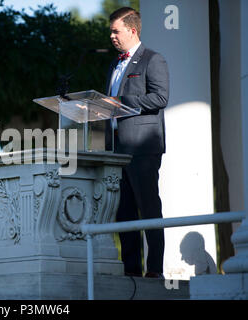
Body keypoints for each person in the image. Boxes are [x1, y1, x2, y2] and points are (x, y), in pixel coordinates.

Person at [104, 7, 169, 278]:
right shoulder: (115, 65)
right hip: (117, 150)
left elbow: (160, 98)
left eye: (116, 31)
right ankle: (131, 273)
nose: (111, 36)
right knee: (125, 214)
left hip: (142, 148)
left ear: (132, 30)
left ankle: (154, 273)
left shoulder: (152, 60)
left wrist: (122, 103)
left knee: (149, 209)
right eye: (111, 31)